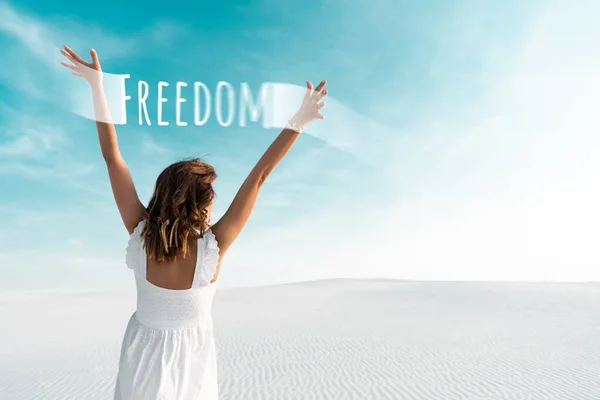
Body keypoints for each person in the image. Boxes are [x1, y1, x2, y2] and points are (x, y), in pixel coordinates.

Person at [60, 45, 327, 399]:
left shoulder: (141, 235)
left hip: (141, 357)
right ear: (200, 204)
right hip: (192, 360)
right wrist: (298, 123)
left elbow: (113, 159)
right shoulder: (212, 248)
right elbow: (259, 176)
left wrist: (98, 89)